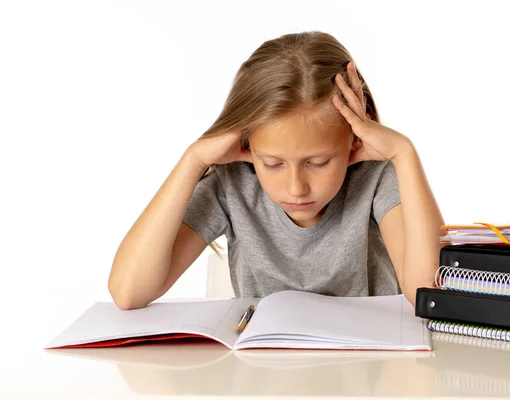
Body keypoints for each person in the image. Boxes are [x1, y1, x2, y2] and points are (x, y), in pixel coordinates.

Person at [108, 31, 445, 310]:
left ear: (354, 140)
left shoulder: (377, 178)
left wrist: (404, 153)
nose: (296, 187)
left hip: (365, 378)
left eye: (317, 162)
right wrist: (193, 159)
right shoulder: (232, 185)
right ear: (246, 143)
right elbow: (128, 292)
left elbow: (427, 293)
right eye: (272, 164)